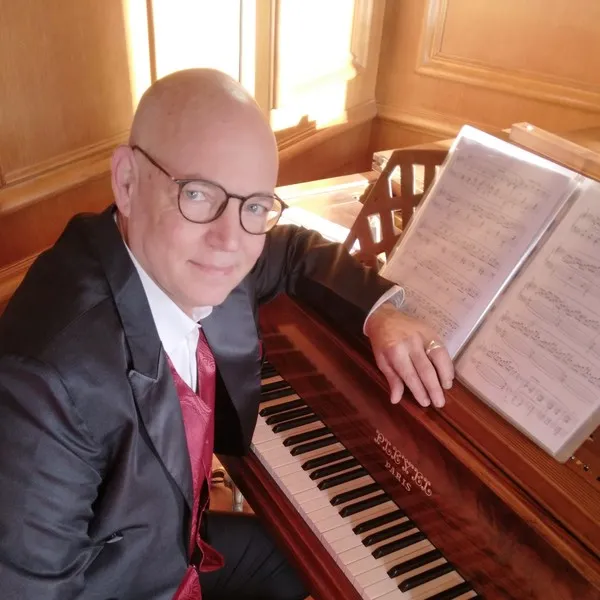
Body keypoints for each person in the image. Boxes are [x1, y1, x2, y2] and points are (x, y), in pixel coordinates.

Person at [0, 69, 454, 599]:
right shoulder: (46, 385)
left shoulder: (192, 260)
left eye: (254, 206)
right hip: (121, 583)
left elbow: (294, 250)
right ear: (126, 181)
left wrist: (381, 314)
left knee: (302, 567)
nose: (229, 240)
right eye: (197, 194)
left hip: (172, 547)